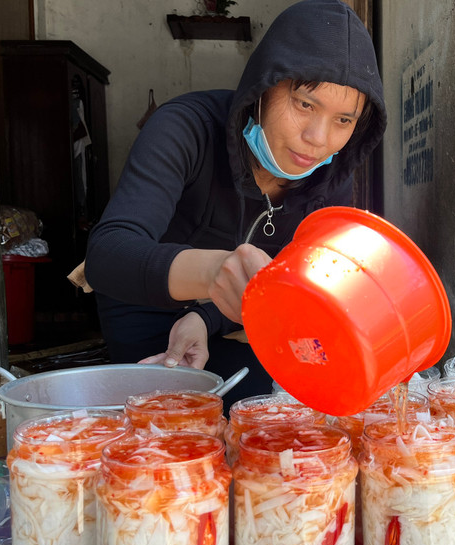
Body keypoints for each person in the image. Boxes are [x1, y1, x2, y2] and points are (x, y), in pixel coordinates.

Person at [84, 0, 387, 403]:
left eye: (343, 120)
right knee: (171, 422)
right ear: (265, 86)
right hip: (143, 309)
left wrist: (205, 314)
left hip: (236, 319)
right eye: (304, 104)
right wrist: (211, 272)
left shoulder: (331, 179)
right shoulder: (184, 128)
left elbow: (298, 280)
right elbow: (108, 255)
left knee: (263, 412)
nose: (318, 138)